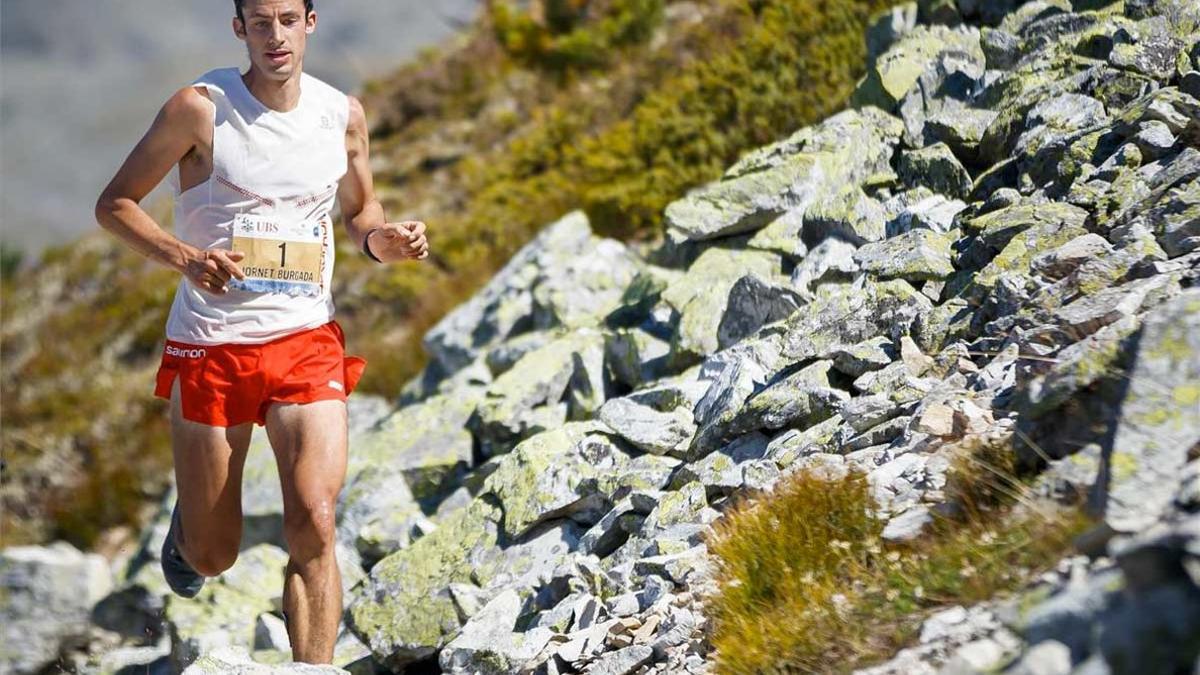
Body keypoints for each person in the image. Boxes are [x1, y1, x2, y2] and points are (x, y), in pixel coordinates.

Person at [94, 0, 429, 663]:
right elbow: (114, 204)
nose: (274, 35)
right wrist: (186, 258)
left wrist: (381, 240)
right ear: (238, 27)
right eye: (259, 21)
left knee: (316, 520)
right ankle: (187, 532)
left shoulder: (342, 114)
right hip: (213, 344)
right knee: (214, 553)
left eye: (286, 18)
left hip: (306, 341)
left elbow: (361, 209)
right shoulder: (201, 108)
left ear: (311, 22)